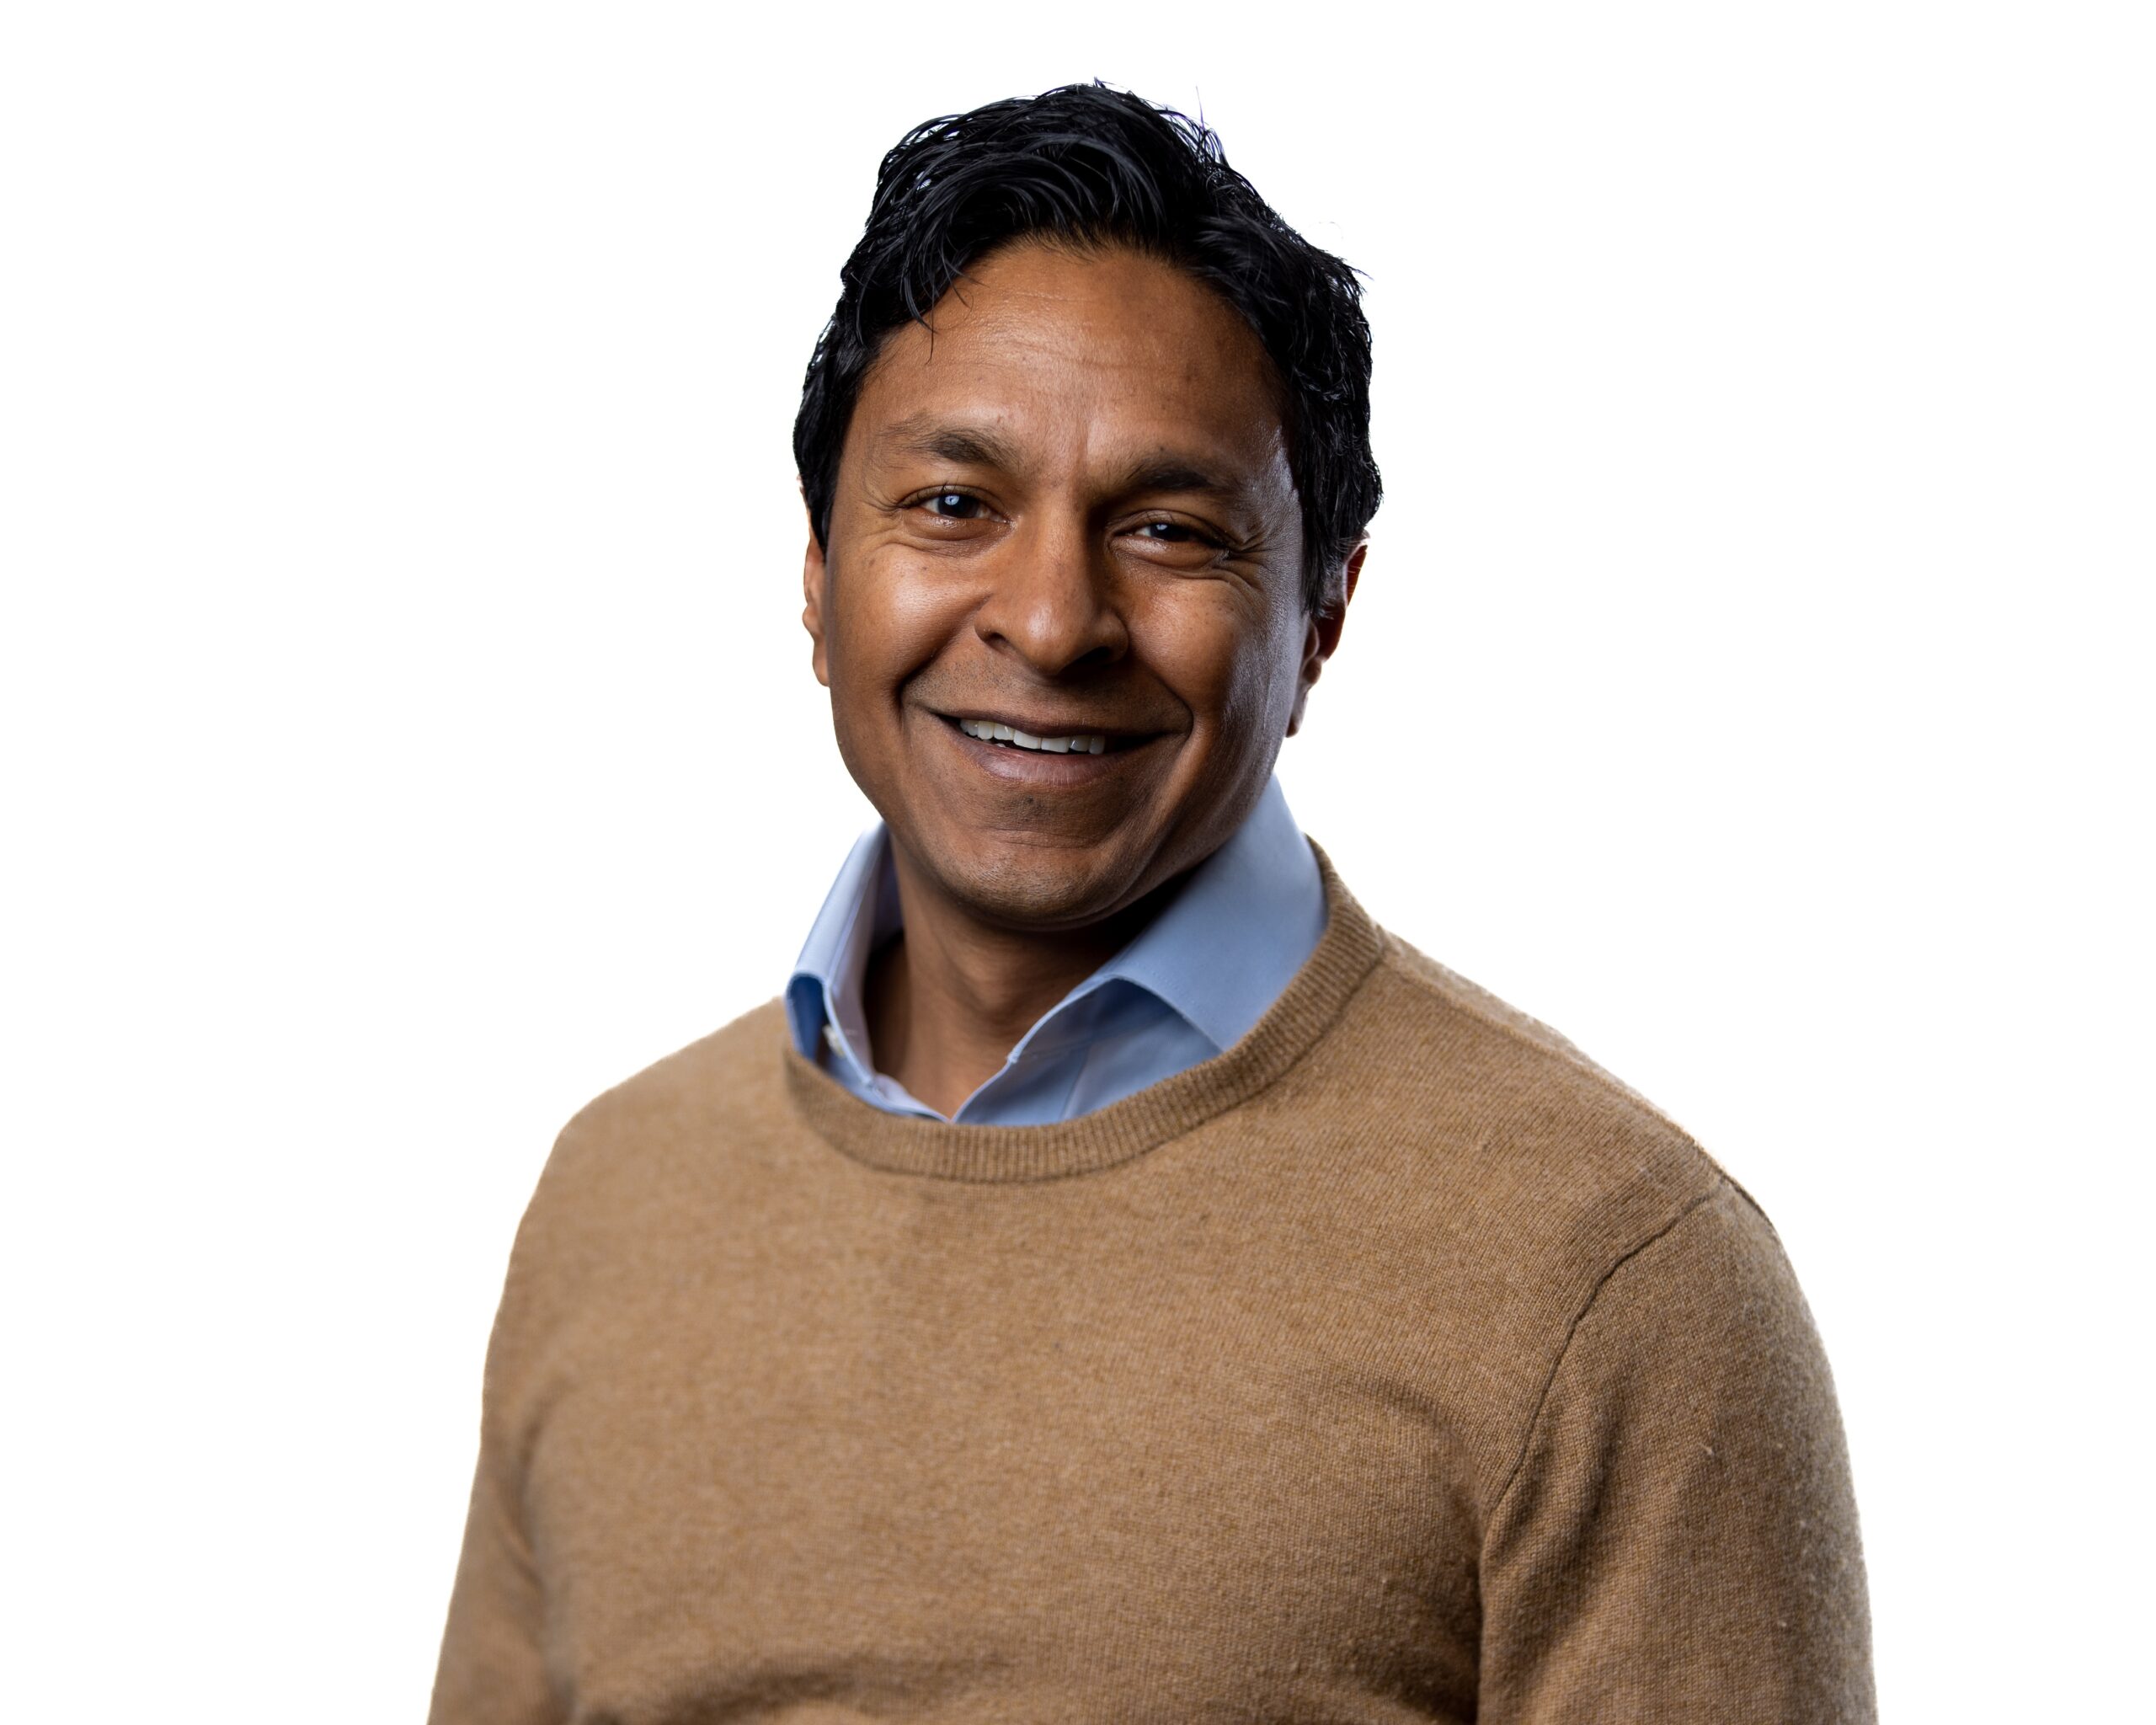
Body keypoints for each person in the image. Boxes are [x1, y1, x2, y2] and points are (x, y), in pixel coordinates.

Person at [430, 83, 1876, 1723]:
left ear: (1323, 611)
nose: (1050, 620)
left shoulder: (1609, 1271)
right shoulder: (618, 1196)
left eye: (1169, 528)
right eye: (954, 505)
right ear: (818, 575)